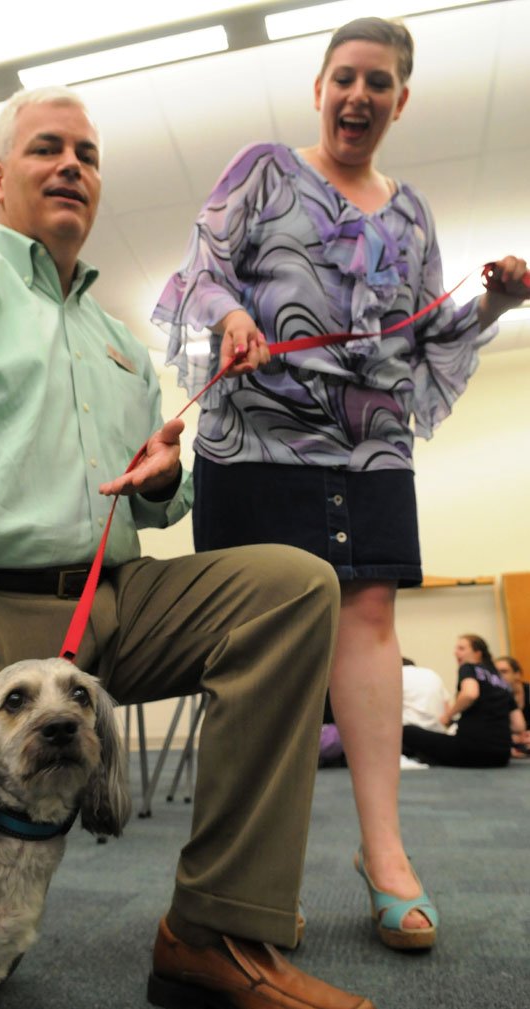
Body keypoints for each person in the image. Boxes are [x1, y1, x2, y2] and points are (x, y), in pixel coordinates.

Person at [0, 86, 374, 1009]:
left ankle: (216, 927)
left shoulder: (122, 346)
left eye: (87, 156)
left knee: (294, 586)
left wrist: (167, 473)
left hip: (113, 598)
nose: (71, 166)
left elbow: (153, 506)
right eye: (47, 149)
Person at [152, 15, 528, 951]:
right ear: (319, 86)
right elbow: (197, 275)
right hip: (256, 440)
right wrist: (235, 311)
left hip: (367, 447)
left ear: (402, 99)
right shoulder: (262, 171)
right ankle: (249, 873)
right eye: (345, 78)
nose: (360, 95)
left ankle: (386, 853)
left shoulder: (413, 214)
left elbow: (428, 337)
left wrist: (494, 303)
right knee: (256, 645)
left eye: (380, 83)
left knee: (369, 623)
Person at [402, 635, 526, 767]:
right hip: (501, 756)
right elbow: (519, 725)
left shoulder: (469, 668)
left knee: (407, 731)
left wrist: (448, 716)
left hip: (472, 751)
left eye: (461, 648)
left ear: (477, 653)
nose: (455, 652)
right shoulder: (502, 681)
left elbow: (470, 694)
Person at [401, 657, 451, 733]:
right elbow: (447, 712)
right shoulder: (432, 674)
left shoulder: (398, 674)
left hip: (409, 733)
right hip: (437, 734)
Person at [495, 655, 530, 756]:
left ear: (517, 674)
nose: (499, 676)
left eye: (504, 671)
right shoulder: (494, 697)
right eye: (496, 673)